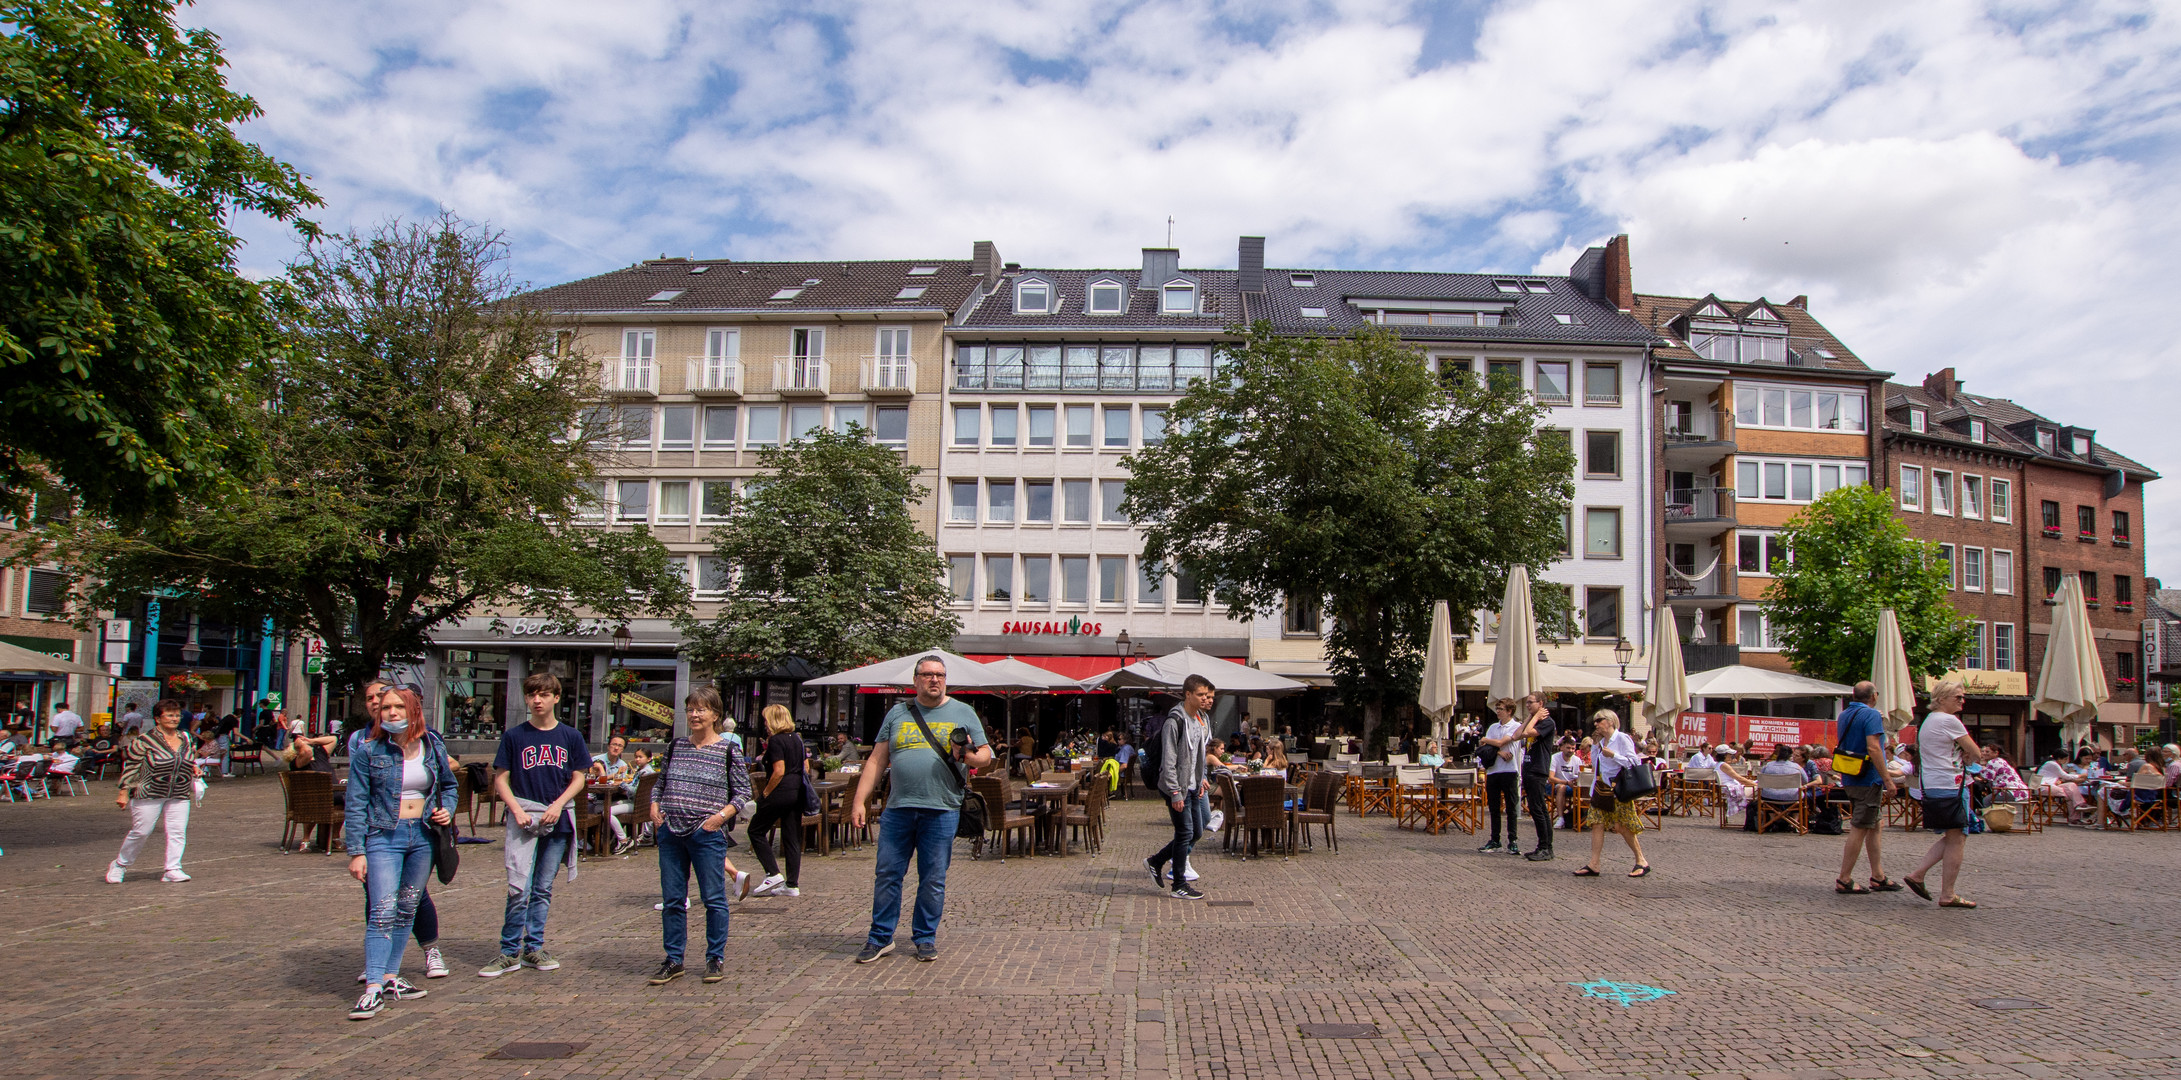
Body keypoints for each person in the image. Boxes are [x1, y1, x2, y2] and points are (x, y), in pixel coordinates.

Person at [850, 656, 992, 962]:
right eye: (927, 675)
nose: (934, 680)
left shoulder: (963, 712)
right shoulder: (898, 713)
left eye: (940, 675)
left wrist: (965, 756)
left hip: (941, 809)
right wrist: (859, 801)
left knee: (933, 877)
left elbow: (986, 756)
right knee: (887, 874)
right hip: (899, 808)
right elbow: (876, 760)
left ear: (945, 679)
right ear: (915, 680)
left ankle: (925, 937)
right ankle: (880, 937)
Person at [342, 688, 456, 1020]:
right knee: (381, 910)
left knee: (407, 906)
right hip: (384, 836)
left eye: (398, 707)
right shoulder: (369, 751)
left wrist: (446, 809)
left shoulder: (432, 746)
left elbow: (448, 785)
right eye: (386, 707)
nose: (390, 712)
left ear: (414, 710)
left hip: (422, 836)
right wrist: (356, 851)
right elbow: (356, 803)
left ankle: (392, 977)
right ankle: (372, 987)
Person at [480, 673, 591, 978]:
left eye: (544, 694)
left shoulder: (570, 736)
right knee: (519, 887)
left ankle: (534, 947)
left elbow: (579, 776)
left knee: (542, 888)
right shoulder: (515, 736)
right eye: (532, 695)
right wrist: (515, 809)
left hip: (557, 821)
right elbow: (501, 777)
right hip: (524, 817)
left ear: (556, 698)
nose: (537, 700)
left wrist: (558, 805)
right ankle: (508, 951)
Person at [645, 687, 752, 986]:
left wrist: (718, 818)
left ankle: (714, 957)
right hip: (671, 832)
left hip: (706, 833)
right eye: (690, 709)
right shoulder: (676, 746)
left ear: (715, 715)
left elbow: (743, 792)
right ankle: (673, 959)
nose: (694, 714)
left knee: (714, 898)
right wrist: (655, 804)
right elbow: (660, 782)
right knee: (673, 900)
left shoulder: (728, 750)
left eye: (701, 709)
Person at [106, 699, 199, 883]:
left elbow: (188, 758)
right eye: (170, 715)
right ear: (158, 718)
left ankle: (173, 868)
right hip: (149, 790)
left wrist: (194, 767)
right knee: (141, 830)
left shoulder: (186, 738)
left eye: (177, 715)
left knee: (177, 831)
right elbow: (132, 766)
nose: (175, 719)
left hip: (178, 790)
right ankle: (120, 864)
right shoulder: (144, 741)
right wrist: (123, 792)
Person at [1904, 681, 1979, 908]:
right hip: (1952, 785)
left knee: (1952, 834)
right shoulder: (1949, 721)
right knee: (1958, 837)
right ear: (1942, 698)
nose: (1962, 701)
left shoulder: (1929, 721)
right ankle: (1947, 893)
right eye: (1958, 697)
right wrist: (1967, 756)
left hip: (1934, 784)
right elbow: (1975, 752)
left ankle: (1919, 874)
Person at [1145, 673, 1215, 900]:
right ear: (1188, 694)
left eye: (1207, 695)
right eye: (1201, 694)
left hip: (1192, 786)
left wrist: (1201, 777)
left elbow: (1196, 755)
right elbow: (1169, 760)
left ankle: (1155, 861)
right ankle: (1178, 884)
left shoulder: (1197, 720)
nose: (1205, 698)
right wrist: (1175, 792)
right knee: (1185, 831)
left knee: (1195, 830)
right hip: (1176, 788)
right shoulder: (1174, 721)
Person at [1832, 682, 1900, 895]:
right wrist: (1887, 779)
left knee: (1875, 824)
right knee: (1860, 826)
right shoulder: (1871, 715)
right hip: (1868, 778)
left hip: (1850, 775)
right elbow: (1873, 747)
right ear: (1874, 696)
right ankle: (1844, 878)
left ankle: (1878, 875)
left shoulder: (1844, 714)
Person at [1572, 710, 1649, 878]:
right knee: (1597, 824)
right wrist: (1595, 745)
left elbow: (1634, 762)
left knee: (1622, 826)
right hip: (1601, 788)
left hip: (1618, 790)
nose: (1596, 724)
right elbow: (1595, 765)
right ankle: (1594, 864)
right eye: (1595, 721)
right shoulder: (1599, 742)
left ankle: (1641, 860)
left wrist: (1613, 755)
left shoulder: (1622, 739)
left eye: (1599, 720)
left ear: (1610, 721)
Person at [748, 705, 807, 899]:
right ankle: (792, 884)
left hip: (780, 791)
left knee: (755, 830)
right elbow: (805, 764)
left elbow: (779, 770)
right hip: (796, 791)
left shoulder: (775, 741)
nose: (764, 724)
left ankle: (772, 873)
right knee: (792, 837)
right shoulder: (797, 739)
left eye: (766, 720)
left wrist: (765, 793)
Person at [1476, 698, 1524, 854]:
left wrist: (1486, 740)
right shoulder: (1493, 727)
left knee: (1511, 807)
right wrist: (1498, 751)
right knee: (1494, 807)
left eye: (1501, 709)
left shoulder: (1516, 726)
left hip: (1510, 770)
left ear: (1509, 711)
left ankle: (1513, 840)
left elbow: (1502, 741)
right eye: (1497, 709)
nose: (1498, 711)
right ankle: (1495, 839)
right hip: (1493, 770)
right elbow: (1487, 747)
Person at [1515, 693, 1558, 861]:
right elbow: (1517, 734)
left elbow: (1526, 733)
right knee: (1534, 808)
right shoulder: (1534, 719)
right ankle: (1541, 845)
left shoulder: (1547, 722)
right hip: (1528, 767)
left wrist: (1536, 717)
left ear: (1541, 703)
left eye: (1530, 703)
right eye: (1526, 702)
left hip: (1538, 769)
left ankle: (1546, 847)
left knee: (1540, 809)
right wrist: (1530, 717)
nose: (1527, 705)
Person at [590, 736, 639, 856]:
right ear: (608, 746)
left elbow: (622, 784)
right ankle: (621, 840)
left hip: (611, 798)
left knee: (608, 811)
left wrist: (623, 785)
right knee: (605, 811)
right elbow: (594, 779)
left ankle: (619, 840)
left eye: (620, 746)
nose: (616, 748)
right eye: (614, 744)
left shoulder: (622, 764)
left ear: (623, 749)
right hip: (593, 799)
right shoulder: (596, 760)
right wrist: (615, 775)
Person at [2036, 751, 2090, 825]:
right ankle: (2075, 815)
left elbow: (2054, 776)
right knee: (2070, 794)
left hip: (2051, 785)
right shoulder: (2052, 764)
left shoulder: (2054, 764)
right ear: (2059, 758)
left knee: (2071, 785)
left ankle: (2079, 805)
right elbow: (2066, 776)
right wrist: (2080, 775)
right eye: (2065, 759)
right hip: (2044, 787)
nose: (2065, 761)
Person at [1548, 736, 1583, 829]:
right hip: (1555, 785)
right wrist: (1567, 782)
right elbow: (1551, 778)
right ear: (1562, 747)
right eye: (1568, 748)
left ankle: (1582, 818)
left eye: (1573, 748)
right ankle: (1560, 818)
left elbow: (1580, 776)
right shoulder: (1554, 758)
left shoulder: (1577, 760)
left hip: (1572, 785)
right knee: (1561, 787)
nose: (1570, 750)